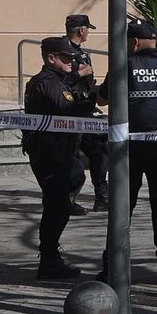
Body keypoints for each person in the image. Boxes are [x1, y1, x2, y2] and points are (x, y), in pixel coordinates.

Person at [98, 19, 157, 284]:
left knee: (122, 208)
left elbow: (102, 98)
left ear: (133, 42)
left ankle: (111, 267)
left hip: (130, 150)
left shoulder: (125, 64)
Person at [22, 36, 86, 279]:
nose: (72, 61)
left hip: (60, 152)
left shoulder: (57, 79)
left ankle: (50, 254)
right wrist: (91, 101)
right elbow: (66, 109)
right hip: (49, 153)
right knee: (56, 207)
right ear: (50, 58)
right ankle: (48, 259)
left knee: (75, 176)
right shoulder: (48, 82)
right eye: (66, 57)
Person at [65, 14, 108, 215]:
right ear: (81, 30)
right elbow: (59, 82)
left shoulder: (81, 54)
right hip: (70, 115)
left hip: (85, 112)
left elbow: (87, 85)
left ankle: (102, 196)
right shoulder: (63, 53)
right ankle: (68, 200)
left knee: (100, 149)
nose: (88, 32)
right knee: (72, 158)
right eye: (87, 29)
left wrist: (92, 102)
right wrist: (77, 75)